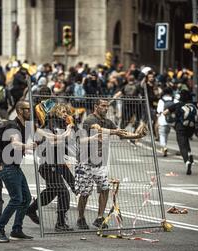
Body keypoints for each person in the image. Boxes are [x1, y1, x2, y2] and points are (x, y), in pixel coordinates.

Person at [75, 99, 147, 229]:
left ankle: (99, 218)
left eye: (107, 106)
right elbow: (98, 130)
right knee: (85, 193)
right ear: (96, 106)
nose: (106, 108)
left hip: (100, 163)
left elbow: (122, 134)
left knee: (105, 188)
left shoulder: (108, 122)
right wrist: (115, 132)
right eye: (103, 106)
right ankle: (80, 218)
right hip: (85, 162)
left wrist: (137, 135)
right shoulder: (89, 120)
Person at [0, 101, 37, 243]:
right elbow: (14, 142)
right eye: (27, 109)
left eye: (30, 109)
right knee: (17, 199)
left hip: (14, 167)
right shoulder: (13, 125)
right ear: (19, 111)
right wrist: (26, 145)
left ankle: (16, 230)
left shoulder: (24, 125)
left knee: (26, 198)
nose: (30, 111)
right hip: (7, 167)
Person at [27, 103, 76, 231]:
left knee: (51, 193)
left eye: (66, 112)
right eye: (62, 111)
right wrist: (69, 130)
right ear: (56, 111)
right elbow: (55, 140)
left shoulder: (62, 124)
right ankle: (60, 223)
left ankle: (30, 209)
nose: (65, 113)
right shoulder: (51, 123)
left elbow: (69, 144)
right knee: (63, 192)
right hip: (48, 165)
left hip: (59, 162)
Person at [162, 89, 198, 175]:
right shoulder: (193, 104)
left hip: (180, 127)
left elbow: (165, 113)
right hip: (191, 127)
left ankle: (187, 161)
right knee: (186, 139)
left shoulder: (177, 105)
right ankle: (190, 154)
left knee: (181, 144)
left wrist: (172, 116)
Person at [157, 86, 176, 157]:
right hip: (170, 121)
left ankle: (164, 147)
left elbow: (159, 111)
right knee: (166, 135)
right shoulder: (173, 100)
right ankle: (164, 147)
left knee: (162, 135)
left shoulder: (161, 100)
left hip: (162, 120)